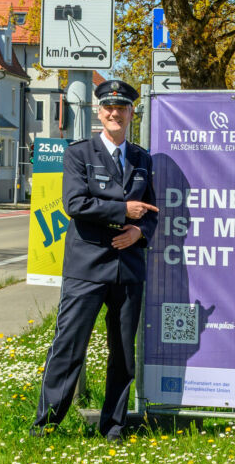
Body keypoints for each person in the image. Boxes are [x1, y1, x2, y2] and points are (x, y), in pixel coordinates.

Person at [32, 80, 159, 441]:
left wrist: (140, 233)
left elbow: (151, 211)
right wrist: (123, 211)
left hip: (128, 268)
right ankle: (46, 425)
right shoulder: (79, 154)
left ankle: (113, 427)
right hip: (86, 267)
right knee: (69, 347)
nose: (115, 113)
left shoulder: (142, 158)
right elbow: (75, 204)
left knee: (123, 354)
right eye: (109, 108)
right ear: (99, 113)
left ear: (131, 113)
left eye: (122, 108)